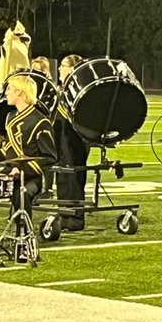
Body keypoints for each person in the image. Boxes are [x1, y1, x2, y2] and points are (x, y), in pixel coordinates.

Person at [0, 72, 56, 235]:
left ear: (20, 92)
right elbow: (8, 150)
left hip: (31, 178)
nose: (6, 93)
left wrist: (22, 171)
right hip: (9, 174)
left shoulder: (41, 122)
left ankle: (24, 237)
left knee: (21, 193)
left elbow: (49, 158)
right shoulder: (10, 116)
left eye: (9, 89)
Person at [53, 53, 89, 231]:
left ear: (72, 69)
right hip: (60, 135)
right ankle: (64, 215)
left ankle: (75, 218)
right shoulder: (60, 89)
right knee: (61, 175)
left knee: (73, 175)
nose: (59, 69)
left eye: (63, 66)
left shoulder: (79, 90)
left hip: (75, 137)